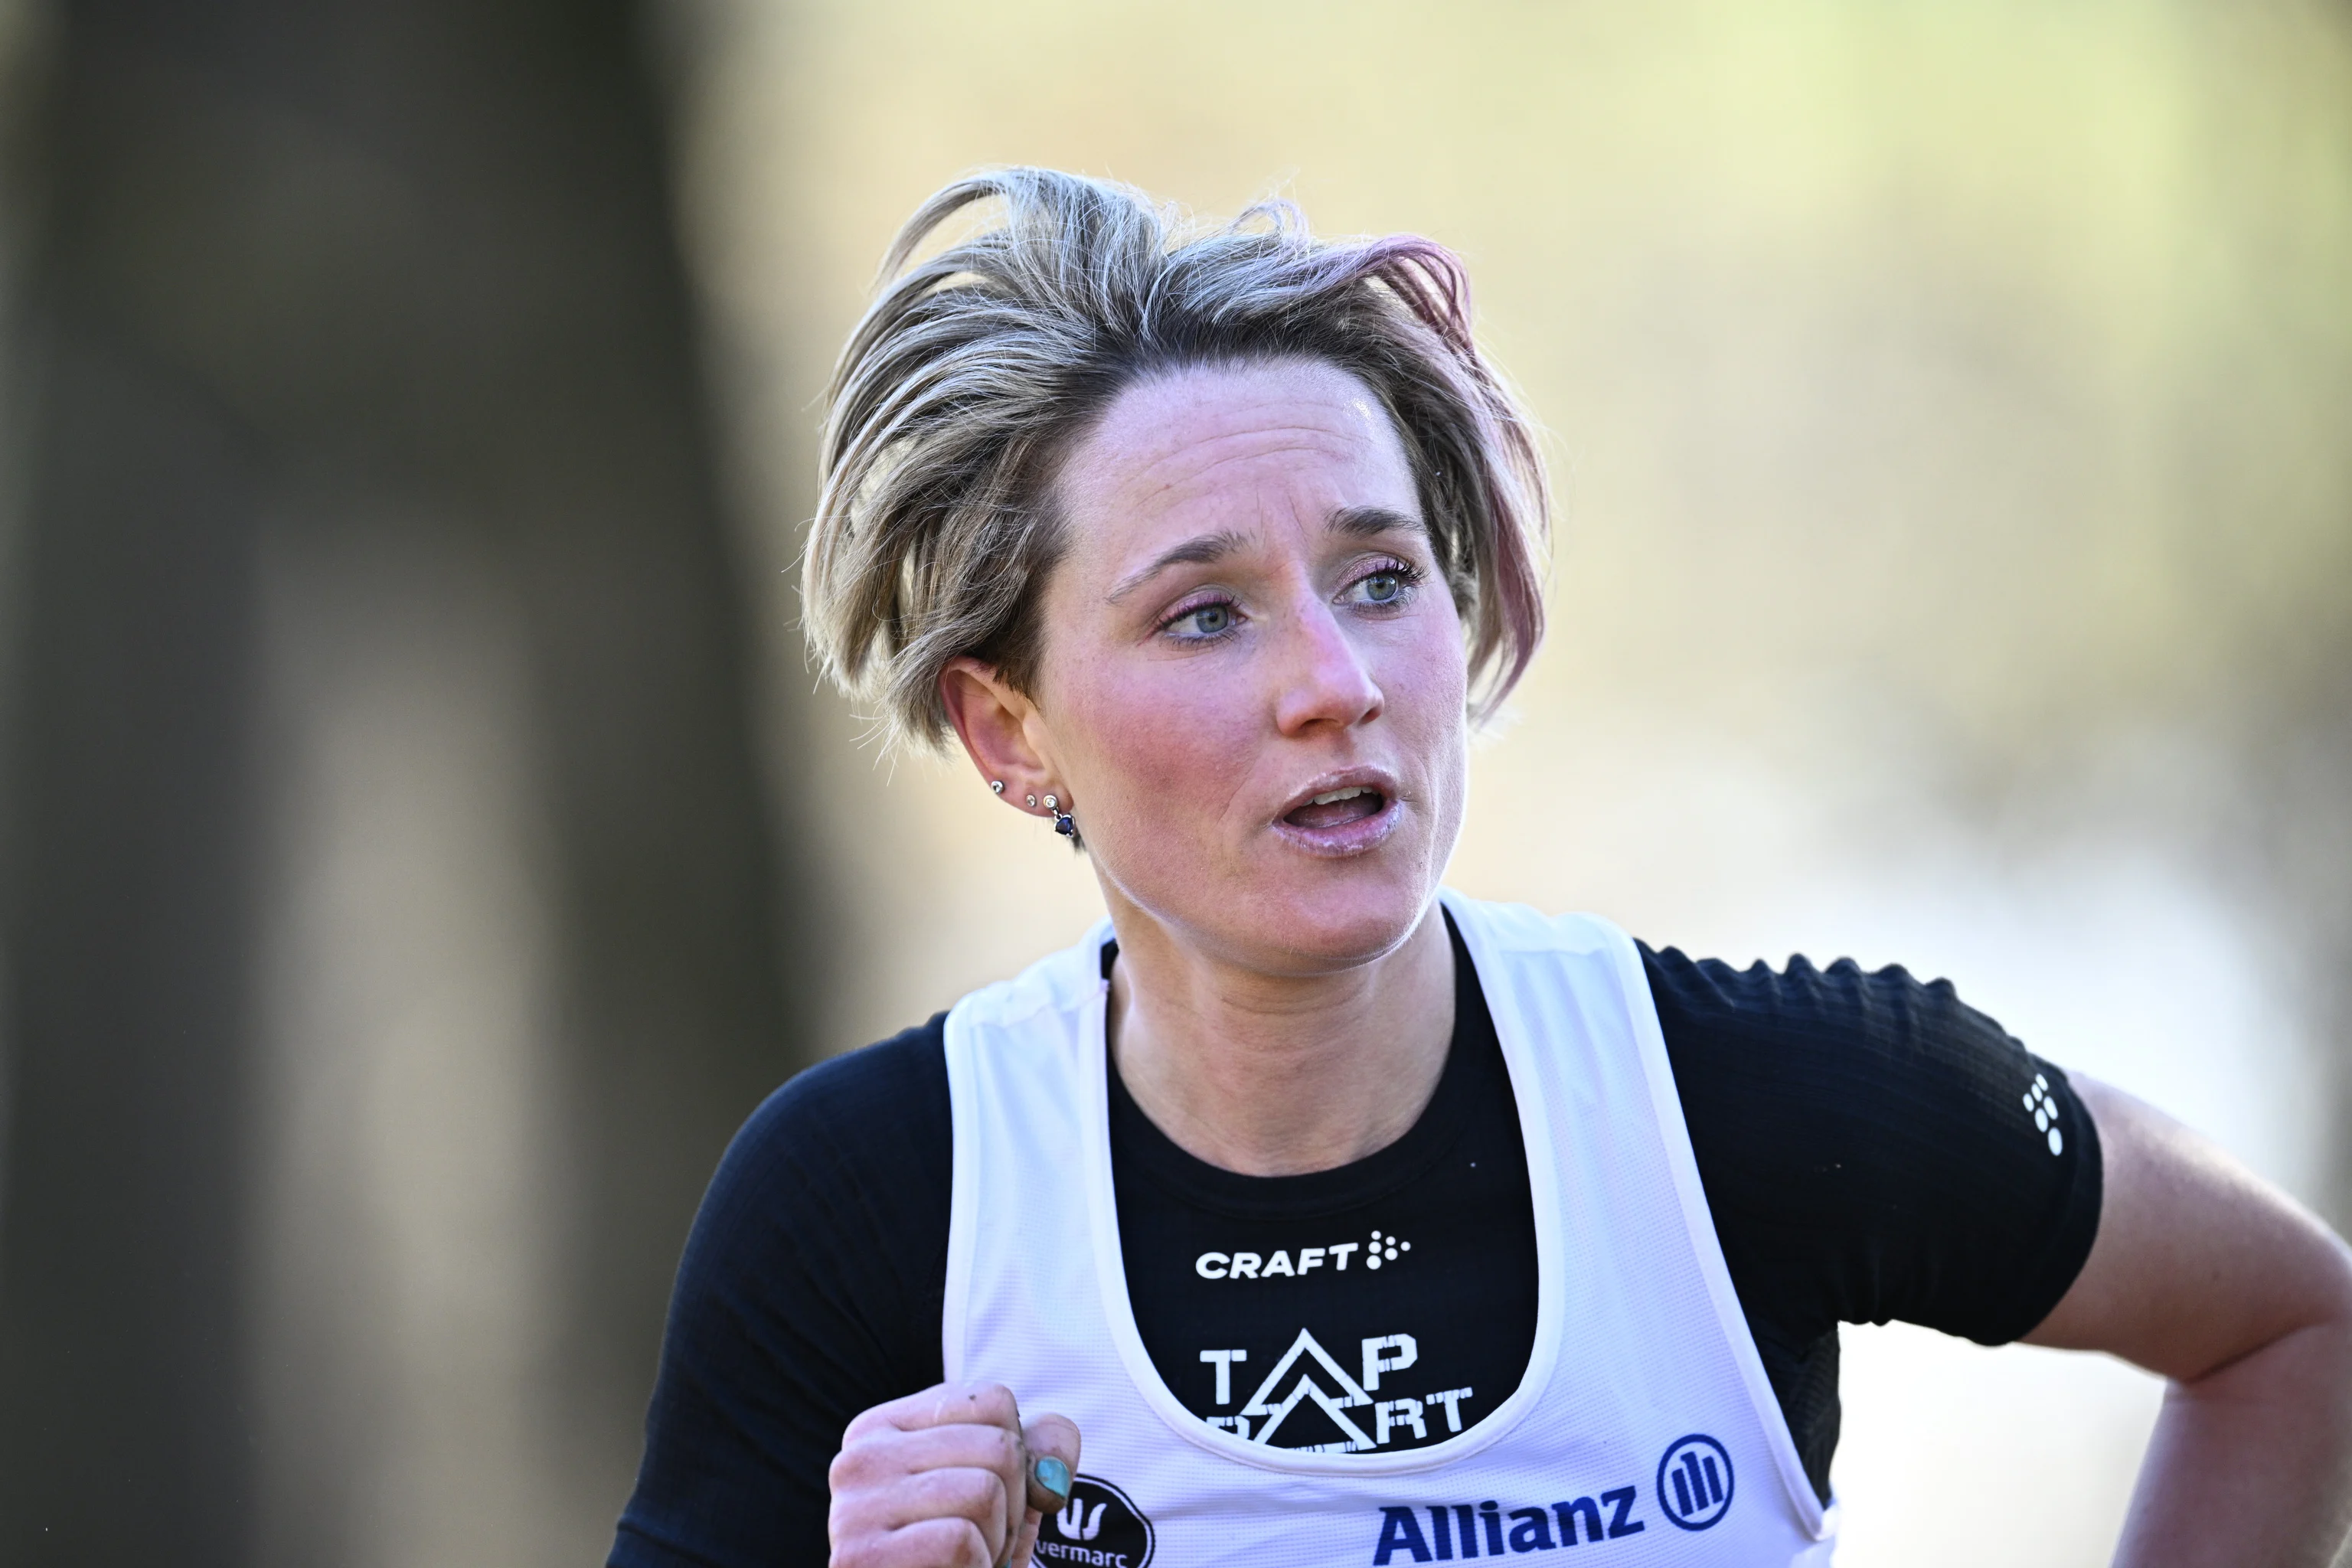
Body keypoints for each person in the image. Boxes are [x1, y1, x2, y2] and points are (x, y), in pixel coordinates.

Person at [608, 169, 2352, 1568]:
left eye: (1379, 580)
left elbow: (2295, 1325)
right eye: (1205, 615)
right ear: (1009, 733)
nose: (1337, 683)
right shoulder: (873, 1207)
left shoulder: (1744, 1105)